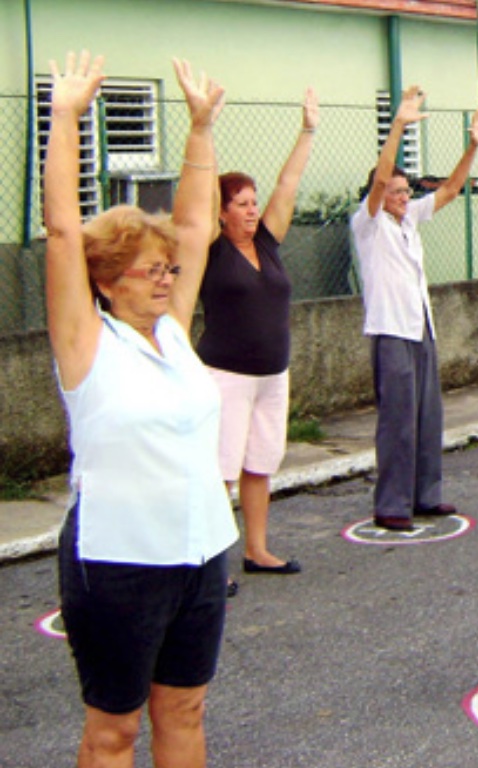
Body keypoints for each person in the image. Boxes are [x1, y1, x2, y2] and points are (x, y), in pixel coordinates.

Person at [45, 53, 232, 767]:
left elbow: (195, 223)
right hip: (119, 559)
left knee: (185, 709)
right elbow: (63, 232)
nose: (165, 278)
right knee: (114, 731)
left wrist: (201, 128)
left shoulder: (173, 332)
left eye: (167, 269)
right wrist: (66, 116)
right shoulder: (86, 344)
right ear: (105, 280)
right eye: (150, 270)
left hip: (199, 549)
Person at [351, 86, 478, 531]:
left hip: (421, 327)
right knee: (397, 420)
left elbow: (450, 189)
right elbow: (379, 182)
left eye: (406, 190)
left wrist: (472, 147)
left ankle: (426, 494)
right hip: (391, 330)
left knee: (428, 416)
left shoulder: (408, 219)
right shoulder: (368, 222)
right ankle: (392, 503)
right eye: (396, 191)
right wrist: (398, 127)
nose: (403, 196)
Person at [198, 87, 318, 578]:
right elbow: (201, 190)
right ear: (221, 211)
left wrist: (307, 130)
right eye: (241, 204)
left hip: (273, 375)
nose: (251, 210)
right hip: (226, 376)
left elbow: (288, 184)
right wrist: (204, 127)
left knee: (259, 465)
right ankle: (212, 566)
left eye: (253, 202)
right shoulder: (211, 249)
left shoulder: (266, 244)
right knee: (220, 471)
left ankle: (257, 551)